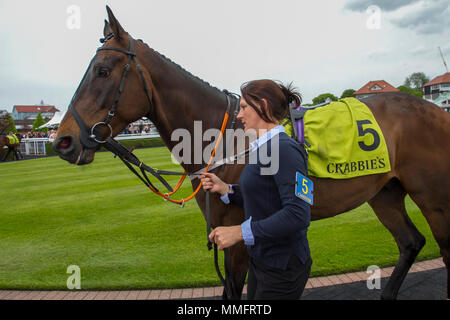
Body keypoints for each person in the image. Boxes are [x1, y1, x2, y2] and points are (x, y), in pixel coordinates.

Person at [200, 79, 312, 300]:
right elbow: (265, 198)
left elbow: (298, 214)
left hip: (283, 268)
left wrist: (238, 232)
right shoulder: (263, 148)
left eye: (243, 107)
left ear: (263, 106)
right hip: (261, 261)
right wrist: (226, 189)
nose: (239, 115)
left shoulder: (285, 150)